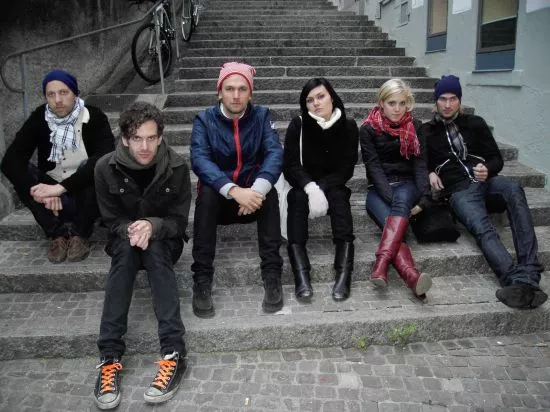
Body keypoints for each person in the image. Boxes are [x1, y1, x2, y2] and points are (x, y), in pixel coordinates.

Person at [93, 102, 191, 409]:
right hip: (125, 240)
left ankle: (173, 353)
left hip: (166, 242)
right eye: (137, 138)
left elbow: (178, 223)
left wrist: (152, 226)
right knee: (125, 253)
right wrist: (132, 229)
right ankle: (110, 357)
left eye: (151, 138)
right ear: (124, 138)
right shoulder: (104, 168)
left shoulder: (176, 167)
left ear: (160, 137)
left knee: (156, 249)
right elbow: (111, 221)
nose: (145, 147)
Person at [421, 74, 547, 309]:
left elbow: (496, 159)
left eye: (453, 98)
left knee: (514, 189)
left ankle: (529, 270)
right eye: (443, 99)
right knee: (483, 228)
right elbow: (419, 163)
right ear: (435, 101)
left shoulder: (475, 123)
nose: (447, 104)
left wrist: (487, 169)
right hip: (459, 191)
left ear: (459, 100)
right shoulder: (427, 131)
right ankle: (515, 281)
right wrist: (430, 173)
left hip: (486, 184)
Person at [190, 62, 284, 318]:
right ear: (219, 92)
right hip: (220, 202)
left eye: (242, 89)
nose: (236, 95)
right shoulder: (204, 120)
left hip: (252, 200)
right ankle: (202, 278)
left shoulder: (262, 116)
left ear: (250, 94)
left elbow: (274, 153)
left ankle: (272, 274)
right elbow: (200, 160)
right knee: (207, 193)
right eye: (229, 89)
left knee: (270, 193)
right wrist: (233, 190)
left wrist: (255, 191)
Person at [1, 69, 115, 263]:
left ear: (75, 93)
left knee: (95, 166)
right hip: (53, 201)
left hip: (85, 195)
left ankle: (80, 234)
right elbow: (10, 160)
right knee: (22, 171)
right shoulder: (40, 117)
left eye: (64, 92)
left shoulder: (94, 116)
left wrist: (60, 188)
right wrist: (41, 192)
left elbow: (105, 157)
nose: (58, 100)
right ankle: (56, 234)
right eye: (51, 94)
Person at [283, 78, 358, 302]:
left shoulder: (348, 126)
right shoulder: (298, 125)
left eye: (320, 96)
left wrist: (321, 188)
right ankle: (301, 276)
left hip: (333, 185)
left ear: (331, 97)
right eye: (309, 100)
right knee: (296, 198)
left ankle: (344, 274)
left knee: (340, 198)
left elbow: (346, 169)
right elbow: (291, 166)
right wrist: (310, 188)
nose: (316, 103)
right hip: (303, 185)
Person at [360, 78, 432, 298]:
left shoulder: (416, 126)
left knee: (397, 212)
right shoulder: (368, 129)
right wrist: (394, 203)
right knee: (394, 228)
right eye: (392, 103)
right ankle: (412, 277)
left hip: (407, 185)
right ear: (381, 103)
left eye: (402, 103)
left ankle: (380, 266)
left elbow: (420, 164)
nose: (397, 109)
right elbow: (373, 167)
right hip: (378, 189)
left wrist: (424, 198)